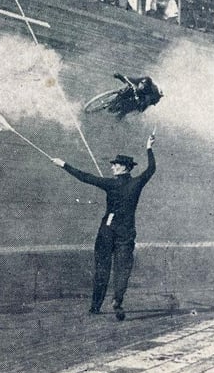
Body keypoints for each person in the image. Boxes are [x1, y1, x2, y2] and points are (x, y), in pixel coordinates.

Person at [51, 133, 157, 320]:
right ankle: (117, 300)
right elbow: (151, 168)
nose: (113, 167)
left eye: (116, 164)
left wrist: (63, 165)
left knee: (102, 267)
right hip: (126, 232)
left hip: (107, 231)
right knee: (123, 268)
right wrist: (149, 147)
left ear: (124, 168)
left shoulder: (111, 184)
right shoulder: (136, 183)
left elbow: (85, 177)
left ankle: (95, 306)